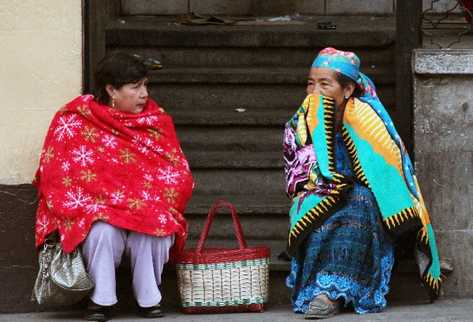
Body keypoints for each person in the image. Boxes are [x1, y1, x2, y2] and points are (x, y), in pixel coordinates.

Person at [283, 48, 442, 319]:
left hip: (369, 204)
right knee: (327, 204)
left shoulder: (370, 119)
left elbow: (389, 172)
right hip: (320, 195)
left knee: (359, 199)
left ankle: (336, 292)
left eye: (324, 83)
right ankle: (318, 289)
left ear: (347, 90)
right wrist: (326, 185)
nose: (314, 90)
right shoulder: (300, 122)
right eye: (311, 83)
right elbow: (296, 175)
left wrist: (348, 186)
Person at [34, 52, 194, 321]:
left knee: (153, 226)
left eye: (145, 85)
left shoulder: (157, 121)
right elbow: (56, 175)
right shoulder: (75, 119)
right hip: (100, 210)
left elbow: (177, 174)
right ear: (111, 90)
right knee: (102, 230)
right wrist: (108, 204)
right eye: (135, 87)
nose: (144, 93)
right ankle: (101, 299)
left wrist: (138, 205)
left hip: (144, 209)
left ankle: (149, 298)